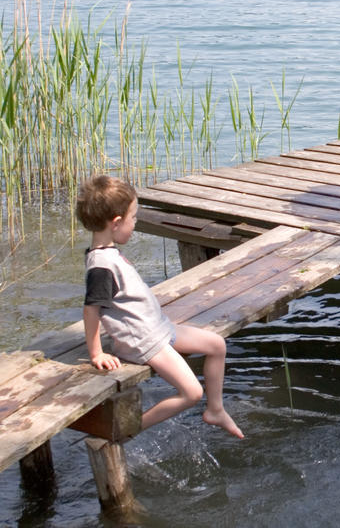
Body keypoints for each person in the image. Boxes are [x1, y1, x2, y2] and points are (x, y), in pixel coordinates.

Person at [75, 174, 244, 437]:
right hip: (142, 341)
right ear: (116, 222)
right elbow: (91, 310)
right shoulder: (101, 266)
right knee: (191, 392)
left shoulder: (107, 253)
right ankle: (131, 429)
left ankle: (215, 410)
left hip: (156, 328)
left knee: (216, 345)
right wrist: (96, 353)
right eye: (133, 218)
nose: (135, 222)